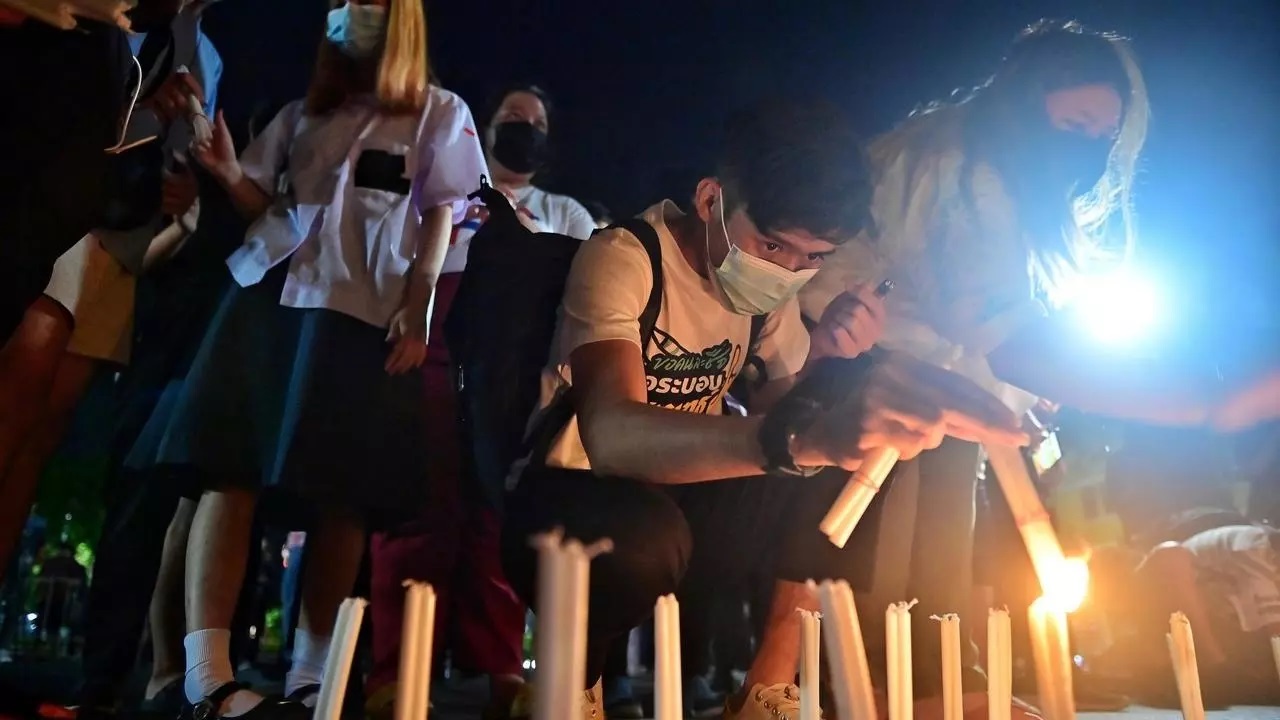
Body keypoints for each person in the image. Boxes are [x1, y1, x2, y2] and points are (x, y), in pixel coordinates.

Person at [499, 97, 1031, 720]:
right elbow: (612, 434)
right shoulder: (626, 257)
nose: (787, 272)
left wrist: (830, 359)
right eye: (773, 245)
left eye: (814, 259)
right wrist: (793, 440)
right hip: (578, 496)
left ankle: (767, 692)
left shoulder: (766, 298)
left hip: (690, 498)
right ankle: (569, 686)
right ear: (710, 200)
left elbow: (788, 410)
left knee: (844, 447)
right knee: (642, 536)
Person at [149, 0, 486, 716]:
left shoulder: (439, 111)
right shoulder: (305, 113)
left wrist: (419, 302)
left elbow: (445, 209)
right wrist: (227, 171)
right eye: (336, 1)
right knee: (229, 471)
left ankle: (311, 679)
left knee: (345, 493)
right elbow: (265, 206)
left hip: (361, 315)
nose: (346, 12)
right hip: (265, 300)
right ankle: (207, 679)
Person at [366, 84, 593, 720]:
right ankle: (395, 676)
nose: (524, 126)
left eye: (536, 121)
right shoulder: (446, 194)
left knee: (498, 512)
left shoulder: (567, 214)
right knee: (419, 501)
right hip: (433, 343)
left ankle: (501, 672)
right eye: (511, 116)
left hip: (518, 371)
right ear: (483, 128)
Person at [0, 0, 222, 591]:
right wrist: (146, 111)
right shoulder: (122, 16)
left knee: (40, 430)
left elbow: (154, 145)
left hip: (117, 238)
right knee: (19, 395)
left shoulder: (202, 52)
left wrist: (185, 188)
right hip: (56, 206)